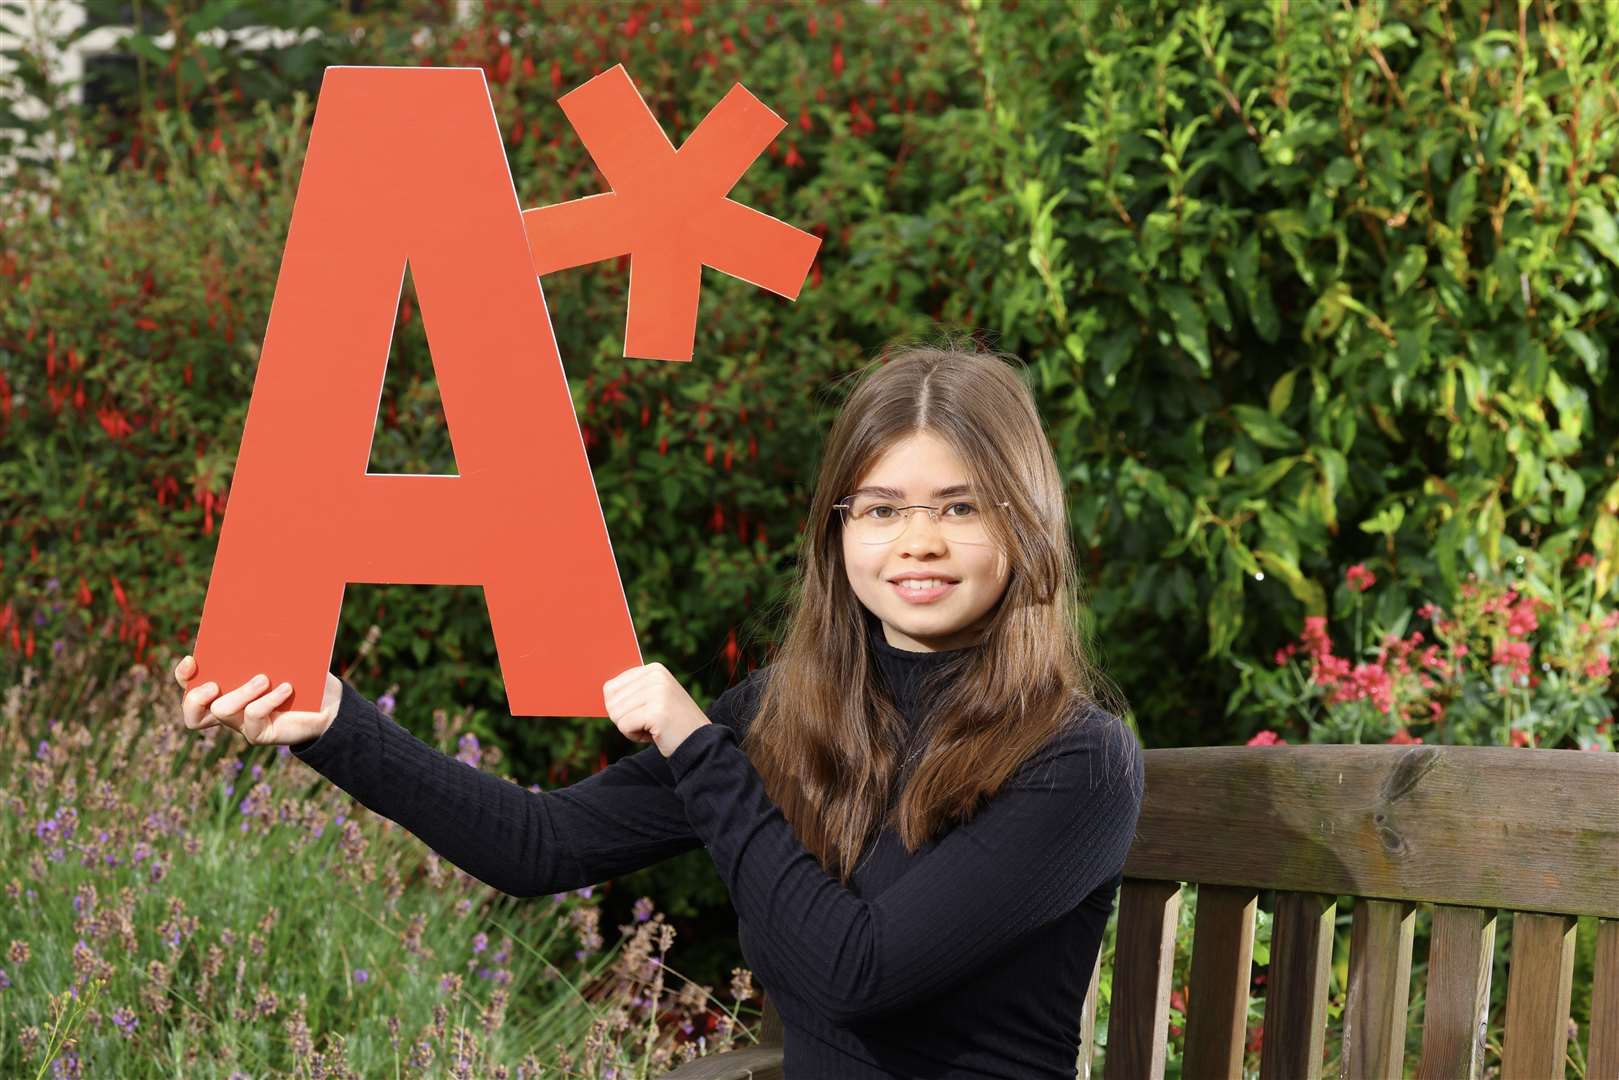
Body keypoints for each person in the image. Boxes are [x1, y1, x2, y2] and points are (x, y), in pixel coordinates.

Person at [174, 339, 1145, 1079]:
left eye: (960, 507)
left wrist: (701, 751)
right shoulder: (786, 711)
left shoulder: (1071, 758)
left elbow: (856, 975)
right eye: (881, 509)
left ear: (1023, 525)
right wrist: (336, 722)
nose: (917, 541)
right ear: (836, 535)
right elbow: (538, 845)